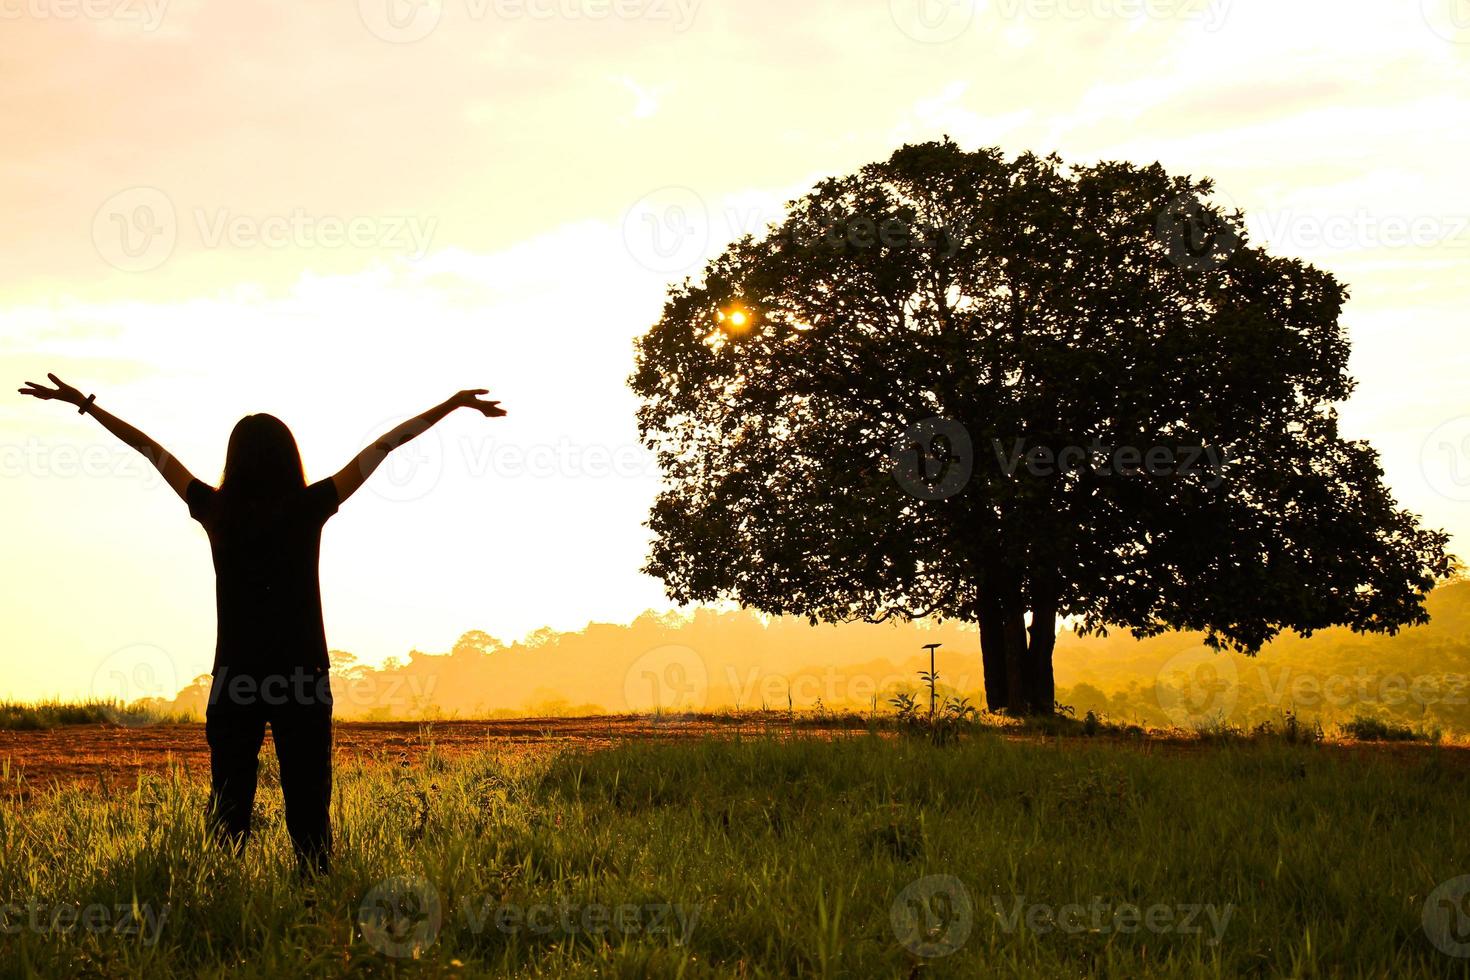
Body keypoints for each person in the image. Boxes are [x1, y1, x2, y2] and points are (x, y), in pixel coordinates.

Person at [18, 373, 506, 877]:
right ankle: (315, 906)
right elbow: (384, 446)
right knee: (309, 811)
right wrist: (453, 404)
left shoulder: (214, 508)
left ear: (234, 460)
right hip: (302, 678)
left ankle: (222, 911)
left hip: (236, 680)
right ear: (289, 457)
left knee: (228, 811)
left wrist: (85, 405)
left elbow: (148, 449)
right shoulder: (310, 505)